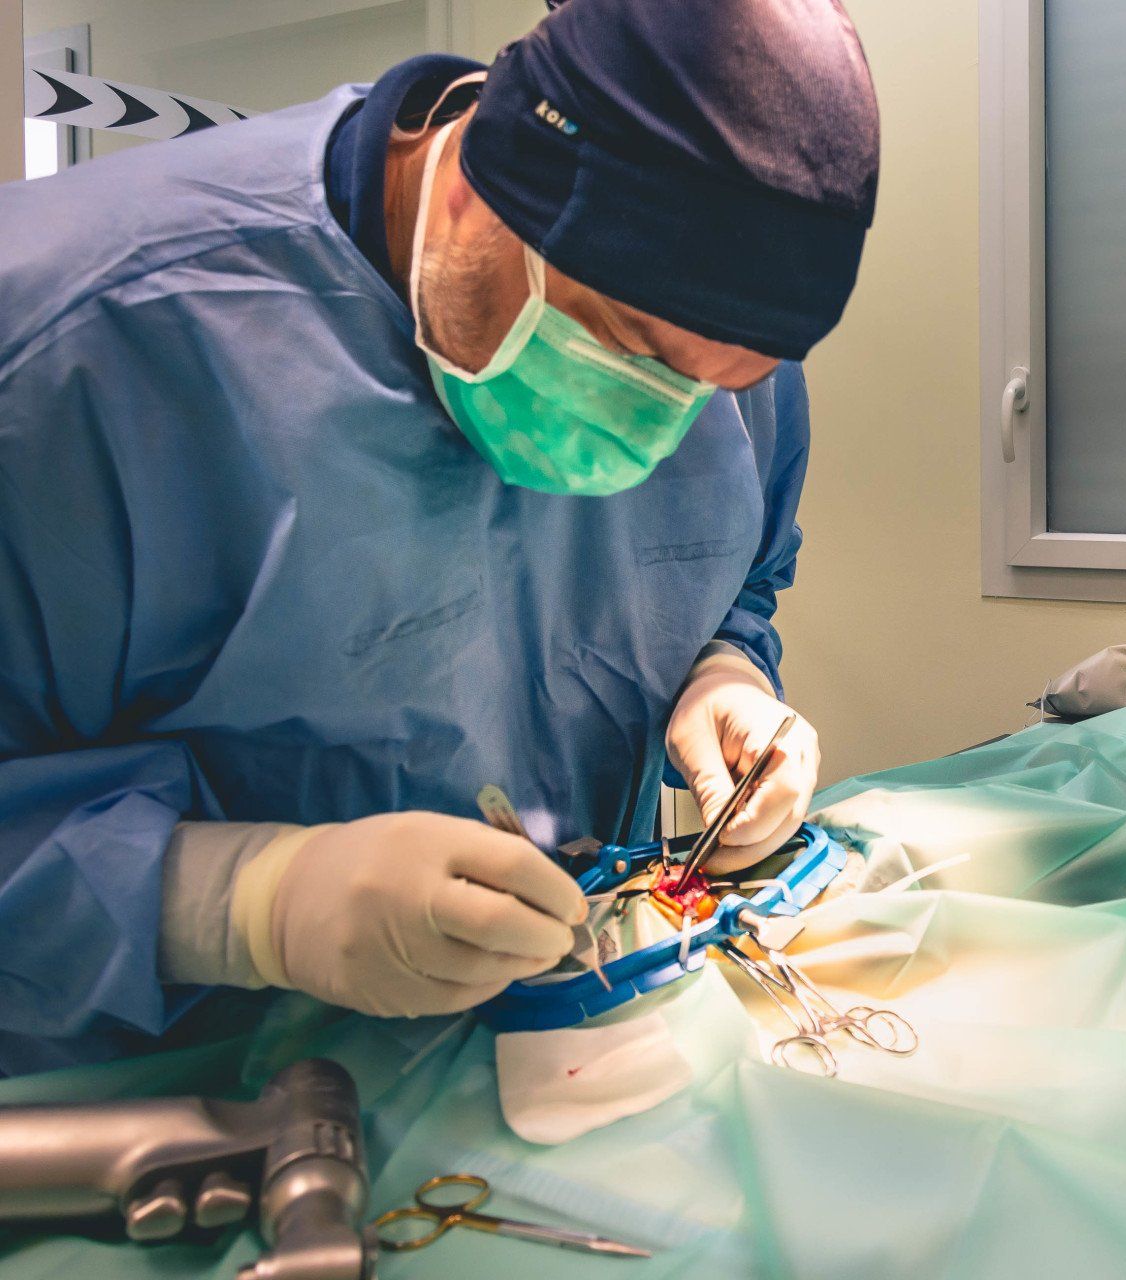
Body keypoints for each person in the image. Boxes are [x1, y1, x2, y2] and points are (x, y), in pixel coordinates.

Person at [0, 0, 880, 1074]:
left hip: (531, 1069)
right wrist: (242, 903)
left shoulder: (725, 359)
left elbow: (738, 569)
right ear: (471, 187)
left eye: (717, 386)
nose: (662, 425)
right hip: (151, 1125)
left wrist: (727, 670)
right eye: (629, 352)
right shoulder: (65, 354)